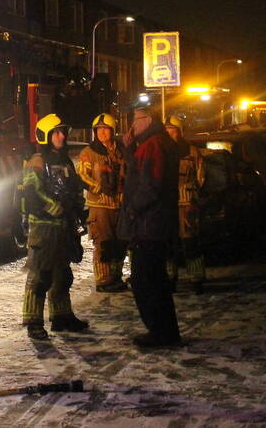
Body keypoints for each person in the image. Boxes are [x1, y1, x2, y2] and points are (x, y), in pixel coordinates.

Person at [20, 113, 90, 340]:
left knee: (62, 273)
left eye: (63, 132)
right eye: (57, 132)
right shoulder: (37, 161)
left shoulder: (65, 160)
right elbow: (31, 194)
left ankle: (62, 316)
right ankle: (33, 321)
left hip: (64, 225)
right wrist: (55, 208)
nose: (62, 136)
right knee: (41, 274)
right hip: (44, 225)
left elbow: (74, 189)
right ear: (46, 136)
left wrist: (79, 212)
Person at [118, 104, 182, 348]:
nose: (133, 126)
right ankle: (166, 331)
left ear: (148, 120)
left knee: (145, 280)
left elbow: (149, 185)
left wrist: (133, 209)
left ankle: (159, 331)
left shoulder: (153, 145)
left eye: (136, 120)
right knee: (156, 279)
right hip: (157, 223)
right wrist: (129, 148)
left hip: (149, 225)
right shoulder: (157, 143)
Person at [78, 113, 129, 293]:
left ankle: (116, 277)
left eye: (105, 129)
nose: (102, 133)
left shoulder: (121, 151)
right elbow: (83, 175)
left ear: (112, 131)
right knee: (103, 244)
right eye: (99, 130)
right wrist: (98, 187)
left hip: (120, 204)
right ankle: (103, 280)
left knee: (120, 243)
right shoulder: (88, 153)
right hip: (99, 206)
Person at [165, 116, 207, 294]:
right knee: (169, 243)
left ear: (179, 131)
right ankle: (169, 278)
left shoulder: (192, 152)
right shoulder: (161, 152)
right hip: (167, 205)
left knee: (191, 243)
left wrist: (193, 195)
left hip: (188, 203)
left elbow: (201, 177)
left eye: (172, 130)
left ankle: (196, 278)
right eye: (166, 130)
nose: (169, 134)